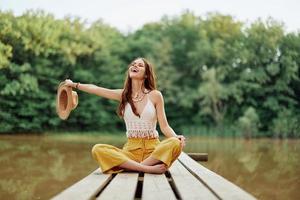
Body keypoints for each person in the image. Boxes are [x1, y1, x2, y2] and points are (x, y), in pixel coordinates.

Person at [64, 57, 186, 174]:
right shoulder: (123, 95)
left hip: (153, 150)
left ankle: (133, 167)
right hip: (130, 152)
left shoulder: (155, 95)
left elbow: (164, 126)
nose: (135, 65)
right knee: (98, 149)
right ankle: (147, 168)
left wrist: (177, 137)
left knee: (175, 143)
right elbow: (96, 89)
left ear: (146, 74)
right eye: (133, 64)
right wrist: (74, 84)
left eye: (140, 65)